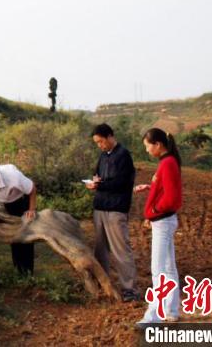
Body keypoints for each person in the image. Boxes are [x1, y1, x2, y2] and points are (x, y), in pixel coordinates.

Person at [135, 128, 183, 325]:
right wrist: (151, 187)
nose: (147, 150)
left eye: (148, 146)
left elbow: (172, 198)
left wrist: (154, 210)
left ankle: (153, 316)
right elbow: (166, 189)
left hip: (163, 221)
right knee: (168, 267)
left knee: (158, 269)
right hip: (163, 220)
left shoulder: (168, 163)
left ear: (158, 145)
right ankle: (171, 309)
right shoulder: (167, 162)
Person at [86, 123, 139, 302]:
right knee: (100, 249)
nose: (100, 145)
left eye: (101, 141)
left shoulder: (123, 155)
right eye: (97, 143)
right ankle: (103, 282)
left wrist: (100, 184)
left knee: (120, 250)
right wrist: (95, 181)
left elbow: (122, 183)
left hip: (116, 208)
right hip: (100, 207)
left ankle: (129, 288)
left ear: (110, 136)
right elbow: (97, 174)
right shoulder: (103, 156)